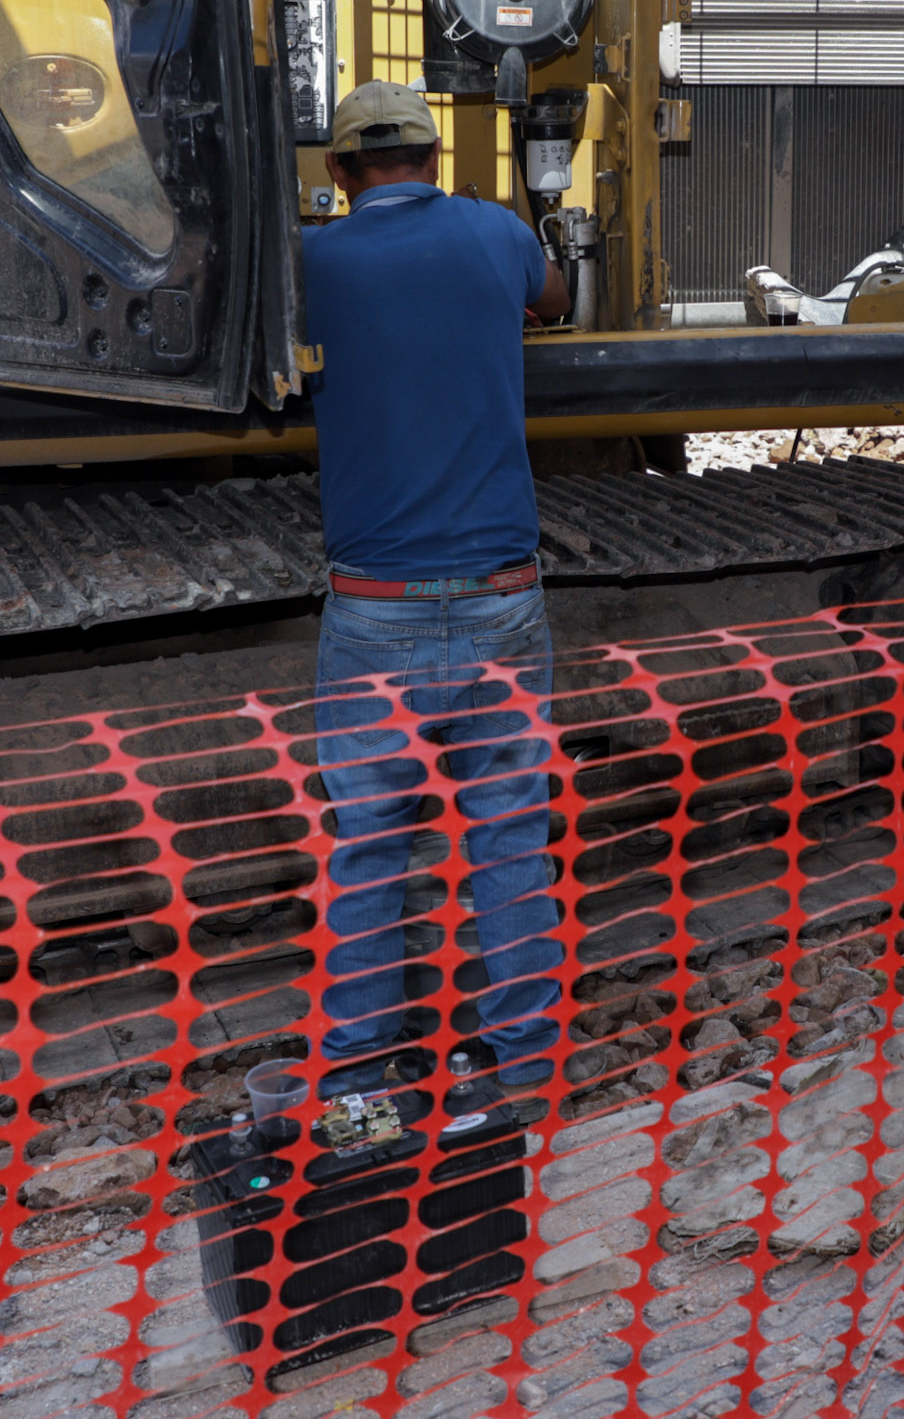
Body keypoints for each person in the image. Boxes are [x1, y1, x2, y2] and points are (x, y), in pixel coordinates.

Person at [301, 79, 573, 1116]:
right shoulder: (496, 235)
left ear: (340, 171)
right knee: (509, 834)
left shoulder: (313, 258)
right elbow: (552, 298)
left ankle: (362, 1080)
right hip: (506, 599)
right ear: (432, 153)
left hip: (377, 611)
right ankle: (529, 1072)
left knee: (371, 845)